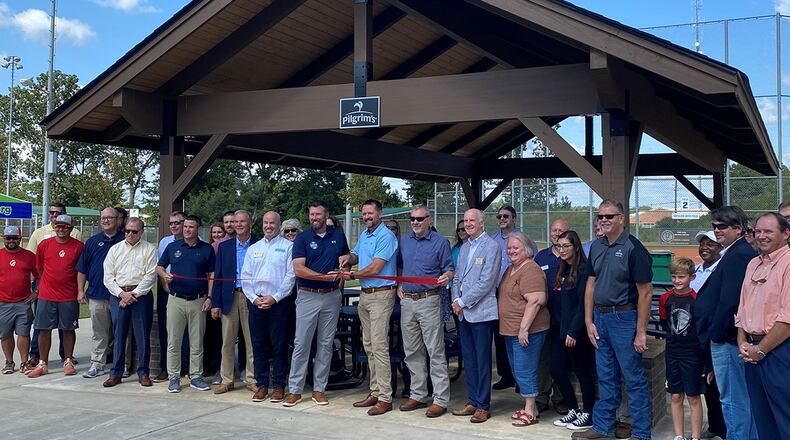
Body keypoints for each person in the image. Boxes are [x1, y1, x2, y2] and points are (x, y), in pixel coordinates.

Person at [573, 199, 653, 440]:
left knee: (633, 378)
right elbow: (590, 284)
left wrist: (640, 331)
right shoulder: (596, 247)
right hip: (600, 318)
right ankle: (603, 427)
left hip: (624, 319)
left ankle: (641, 433)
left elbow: (646, 292)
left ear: (621, 218)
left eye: (610, 216)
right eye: (601, 216)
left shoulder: (633, 248)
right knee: (606, 376)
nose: (604, 220)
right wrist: (588, 321)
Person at [693, 205, 758, 440]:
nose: (716, 230)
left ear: (738, 229)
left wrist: (715, 334)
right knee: (733, 399)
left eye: (722, 226)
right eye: (714, 226)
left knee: (733, 401)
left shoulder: (739, 254)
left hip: (727, 342)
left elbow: (730, 301)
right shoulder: (733, 253)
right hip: (725, 340)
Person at [283, 201, 349, 408]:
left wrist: (346, 261)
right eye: (311, 214)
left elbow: (345, 256)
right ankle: (295, 389)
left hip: (332, 296)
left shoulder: (338, 235)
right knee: (302, 343)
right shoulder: (302, 238)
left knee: (326, 344)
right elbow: (299, 269)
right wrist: (323, 277)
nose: (314, 218)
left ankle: (319, 388)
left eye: (318, 214)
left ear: (325, 215)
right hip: (308, 295)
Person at [341, 199, 399, 416]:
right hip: (365, 295)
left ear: (380, 214)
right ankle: (375, 391)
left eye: (370, 213)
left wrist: (353, 274)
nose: (367, 217)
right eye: (364, 213)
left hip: (382, 295)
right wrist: (348, 258)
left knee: (380, 346)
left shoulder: (386, 236)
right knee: (369, 345)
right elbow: (356, 254)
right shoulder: (366, 234)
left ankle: (385, 397)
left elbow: (376, 267)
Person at [735, 212, 790, 439]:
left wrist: (761, 350)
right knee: (763, 419)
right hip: (752, 352)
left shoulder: (788, 263)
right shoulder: (752, 264)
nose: (761, 236)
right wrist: (742, 342)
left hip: (779, 351)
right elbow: (743, 308)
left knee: (785, 418)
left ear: (786, 234)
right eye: (758, 231)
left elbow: (787, 318)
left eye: (768, 231)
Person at [397, 205, 454, 418]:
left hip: (429, 300)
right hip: (408, 301)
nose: (415, 222)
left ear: (429, 220)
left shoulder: (440, 242)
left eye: (420, 219)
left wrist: (447, 276)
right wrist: (400, 284)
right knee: (411, 351)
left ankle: (440, 399)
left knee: (435, 351)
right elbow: (401, 265)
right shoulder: (405, 241)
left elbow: (449, 268)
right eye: (412, 219)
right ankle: (418, 394)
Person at [450, 208, 502, 423]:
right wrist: (455, 299)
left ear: (482, 223)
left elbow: (487, 282)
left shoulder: (492, 247)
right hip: (462, 313)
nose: (468, 224)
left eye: (472, 220)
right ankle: (472, 401)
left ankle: (483, 405)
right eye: (466, 220)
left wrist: (462, 301)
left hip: (480, 313)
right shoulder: (464, 247)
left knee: (482, 361)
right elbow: (457, 278)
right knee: (470, 360)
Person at [156, 215, 215, 393]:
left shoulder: (206, 249)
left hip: (198, 300)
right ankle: (174, 377)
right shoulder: (173, 247)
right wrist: (164, 276)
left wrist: (210, 297)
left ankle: (195, 376)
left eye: (191, 227)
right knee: (173, 341)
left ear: (198, 229)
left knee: (196, 342)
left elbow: (211, 274)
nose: (187, 230)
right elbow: (159, 266)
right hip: (176, 300)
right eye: (186, 226)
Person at [241, 211, 295, 403]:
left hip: (279, 304)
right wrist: (254, 298)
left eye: (272, 223)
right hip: (257, 304)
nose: (269, 226)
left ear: (279, 225)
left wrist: (275, 297)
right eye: (266, 222)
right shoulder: (253, 248)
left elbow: (291, 276)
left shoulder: (289, 247)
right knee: (258, 345)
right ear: (261, 224)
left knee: (280, 345)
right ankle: (262, 385)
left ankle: (279, 386)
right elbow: (245, 277)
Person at [498, 232, 549, 427]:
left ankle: (530, 411)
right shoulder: (511, 268)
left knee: (525, 368)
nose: (511, 251)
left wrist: (523, 328)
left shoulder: (531, 270)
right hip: (511, 330)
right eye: (509, 248)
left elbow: (536, 300)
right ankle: (531, 407)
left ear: (527, 249)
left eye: (516, 248)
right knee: (517, 369)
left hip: (528, 330)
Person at [101, 217, 157, 387]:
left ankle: (143, 372)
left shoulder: (149, 249)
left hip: (141, 298)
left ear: (142, 232)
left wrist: (133, 294)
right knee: (119, 336)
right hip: (119, 296)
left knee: (142, 337)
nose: (130, 234)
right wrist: (121, 294)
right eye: (127, 231)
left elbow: (151, 275)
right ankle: (116, 373)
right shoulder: (115, 249)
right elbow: (108, 277)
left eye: (134, 231)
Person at [26, 214, 85, 378]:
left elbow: (81, 271)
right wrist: (45, 284)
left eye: (65, 226)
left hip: (69, 295)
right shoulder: (44, 245)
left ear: (71, 228)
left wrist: (80, 290)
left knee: (68, 329)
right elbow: (39, 269)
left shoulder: (78, 247)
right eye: (58, 226)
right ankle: (43, 363)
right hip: (46, 295)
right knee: (43, 329)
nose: (61, 229)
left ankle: (68, 360)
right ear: (54, 227)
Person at [550, 231, 595, 431]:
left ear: (576, 247)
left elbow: (582, 306)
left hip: (577, 333)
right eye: (559, 246)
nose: (561, 250)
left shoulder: (584, 271)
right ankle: (573, 409)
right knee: (556, 368)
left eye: (566, 246)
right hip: (561, 330)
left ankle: (588, 413)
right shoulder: (564, 271)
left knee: (582, 372)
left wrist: (574, 331)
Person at [211, 210, 258, 394]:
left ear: (250, 224)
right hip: (229, 296)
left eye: (242, 222)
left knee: (251, 341)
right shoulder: (225, 247)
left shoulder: (258, 244)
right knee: (227, 341)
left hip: (251, 296)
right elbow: (218, 276)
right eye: (236, 222)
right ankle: (227, 379)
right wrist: (215, 302)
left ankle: (251, 379)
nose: (238, 225)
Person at [658, 257, 704, 440]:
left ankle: (695, 436)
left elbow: (700, 328)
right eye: (674, 277)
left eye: (681, 277)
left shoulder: (697, 300)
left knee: (693, 396)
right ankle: (679, 435)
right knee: (676, 396)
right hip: (673, 353)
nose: (677, 281)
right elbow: (664, 323)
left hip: (693, 355)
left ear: (692, 277)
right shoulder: (665, 299)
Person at [76, 207, 125, 379]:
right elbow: (82, 269)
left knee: (121, 331)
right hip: (96, 294)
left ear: (118, 219)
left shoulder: (126, 239)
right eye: (103, 218)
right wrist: (80, 290)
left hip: (119, 295)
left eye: (109, 217)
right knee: (99, 333)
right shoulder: (92, 242)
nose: (106, 220)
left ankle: (123, 364)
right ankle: (97, 364)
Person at [689, 230, 726, 440]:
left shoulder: (722, 270)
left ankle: (725, 428)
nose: (705, 247)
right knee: (706, 384)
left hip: (714, 335)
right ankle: (714, 426)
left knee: (720, 383)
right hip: (695, 337)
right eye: (702, 244)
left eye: (710, 243)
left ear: (719, 246)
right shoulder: (694, 271)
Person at [534, 218, 571, 414]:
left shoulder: (572, 258)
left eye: (561, 231)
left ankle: (561, 397)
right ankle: (541, 396)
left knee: (562, 361)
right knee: (543, 358)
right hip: (543, 317)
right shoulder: (541, 257)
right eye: (554, 230)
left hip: (564, 318)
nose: (556, 234)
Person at [0, 226, 38, 374]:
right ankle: (9, 362)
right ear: (4, 238)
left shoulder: (29, 256)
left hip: (23, 302)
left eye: (14, 238)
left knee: (23, 333)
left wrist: (36, 292)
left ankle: (24, 362)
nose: (11, 241)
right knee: (5, 334)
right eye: (8, 238)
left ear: (20, 238)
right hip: (3, 303)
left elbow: (39, 275)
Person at [154, 210, 186, 382]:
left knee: (187, 333)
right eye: (171, 223)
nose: (174, 226)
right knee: (166, 331)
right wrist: (166, 287)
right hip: (167, 291)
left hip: (187, 292)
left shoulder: (198, 242)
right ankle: (165, 368)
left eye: (177, 222)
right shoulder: (165, 242)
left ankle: (186, 367)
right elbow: (160, 268)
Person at [490, 206, 518, 390]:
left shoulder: (523, 240)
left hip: (517, 293)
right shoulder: (492, 241)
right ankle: (505, 375)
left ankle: (519, 376)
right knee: (500, 335)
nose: (502, 219)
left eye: (506, 216)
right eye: (499, 216)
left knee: (517, 335)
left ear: (514, 218)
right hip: (496, 292)